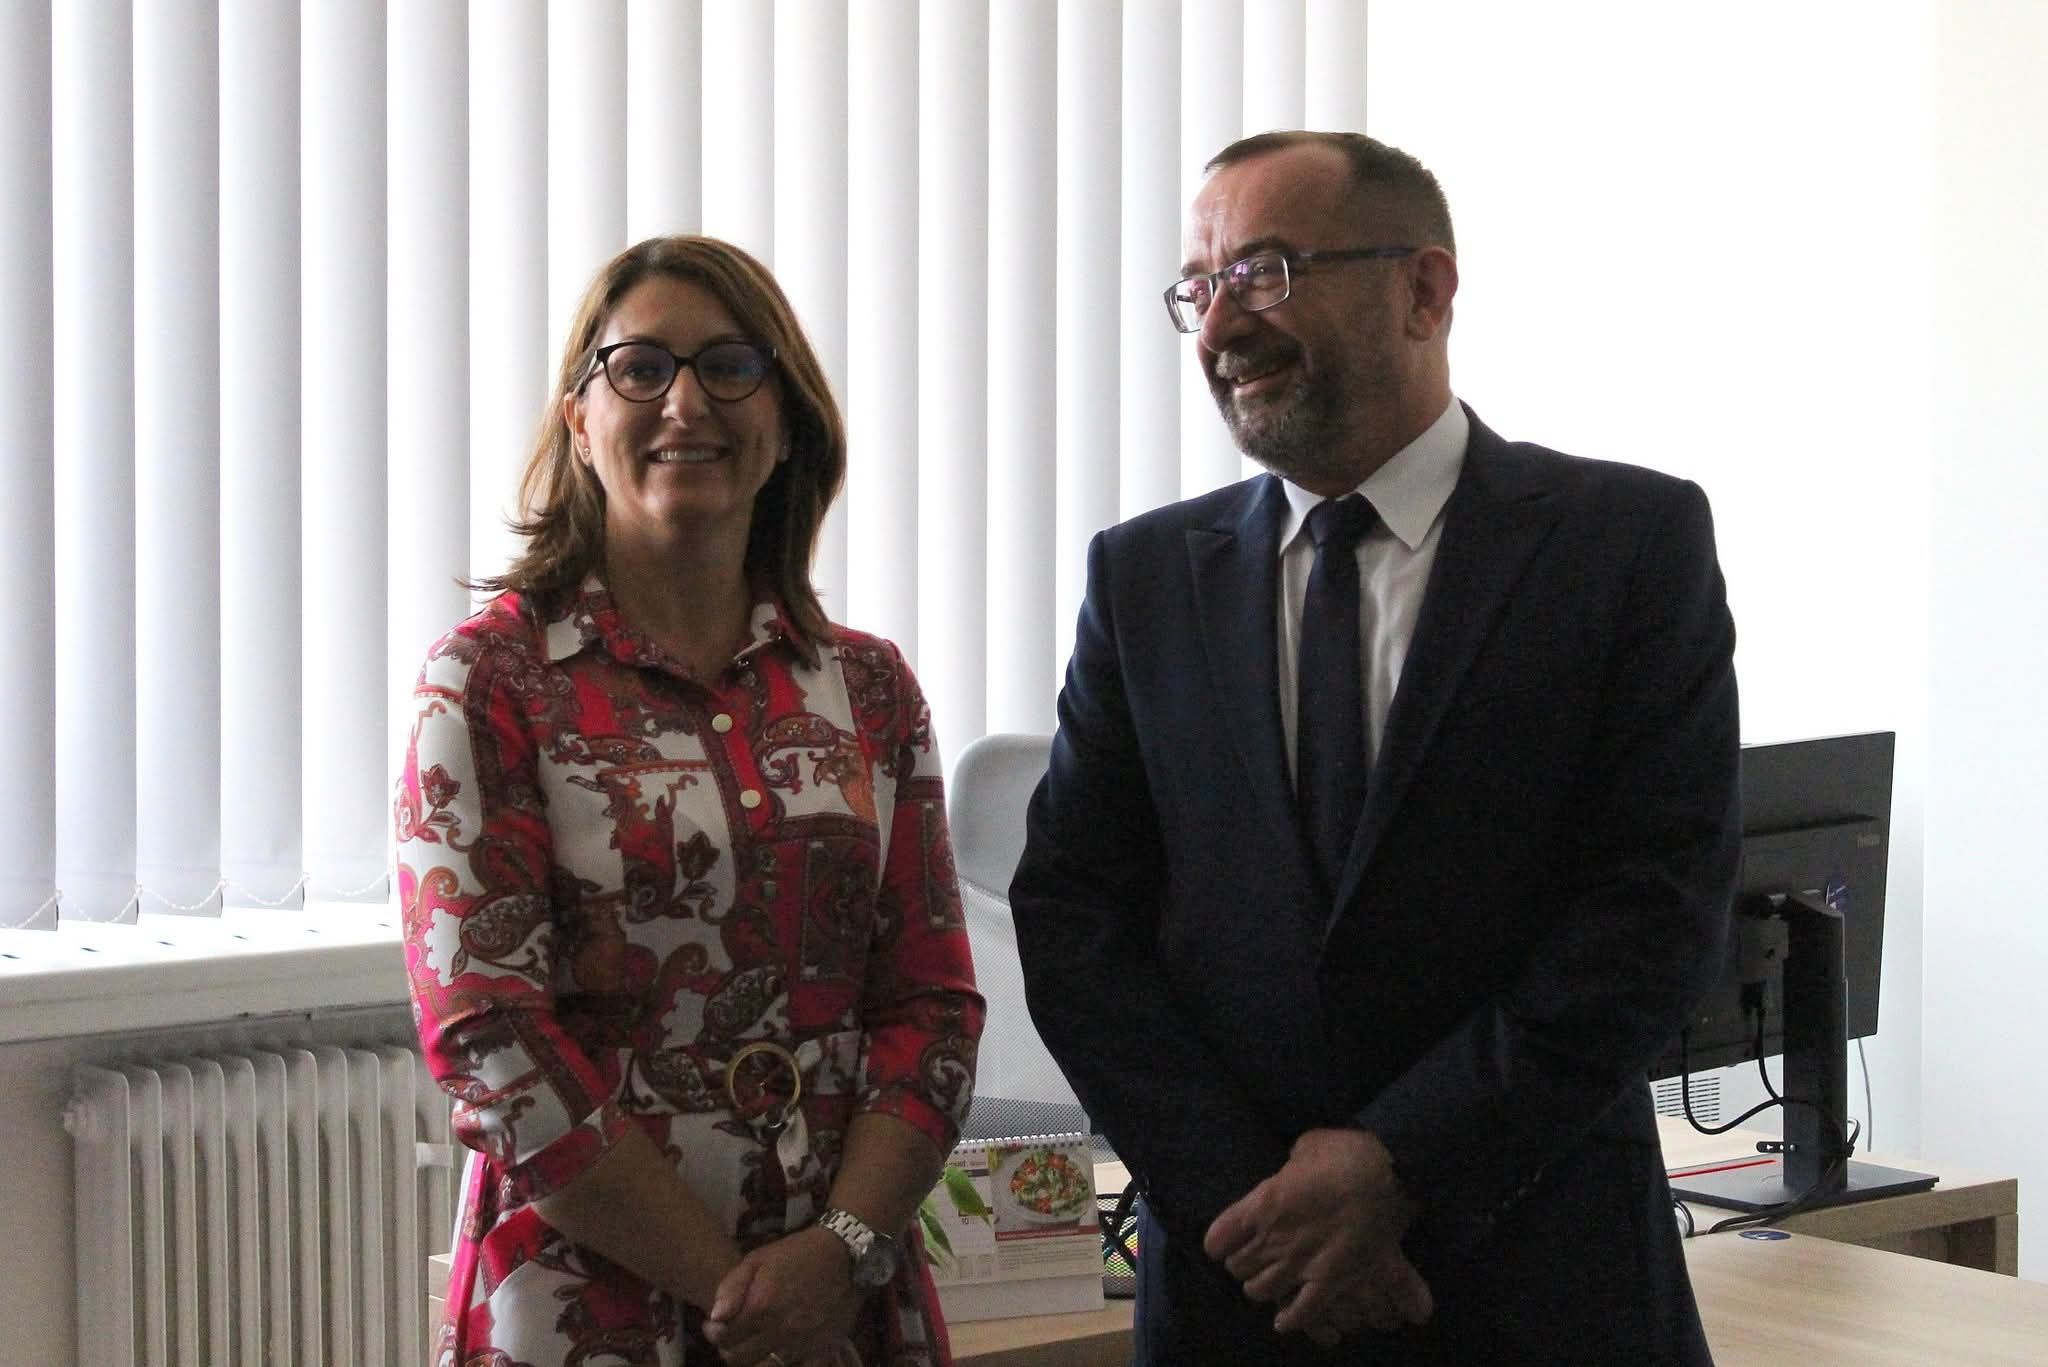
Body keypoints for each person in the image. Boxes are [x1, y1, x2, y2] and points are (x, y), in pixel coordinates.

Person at [1010, 130, 1739, 1365]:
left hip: (1541, 1275)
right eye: (1199, 286)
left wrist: (1395, 1166)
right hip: (1239, 1287)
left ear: (1424, 290)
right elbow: (1075, 917)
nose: (1219, 324)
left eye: (1264, 272)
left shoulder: (1623, 544)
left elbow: (1653, 905)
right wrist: (1260, 1208)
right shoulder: (1143, 578)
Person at [396, 235, 983, 1367]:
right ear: (579, 420)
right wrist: (746, 1299)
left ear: (786, 419)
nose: (686, 402)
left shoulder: (869, 687)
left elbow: (932, 1006)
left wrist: (835, 1255)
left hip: (841, 1289)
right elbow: (489, 1034)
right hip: (586, 1299)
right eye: (639, 367)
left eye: (730, 365)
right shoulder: (488, 680)